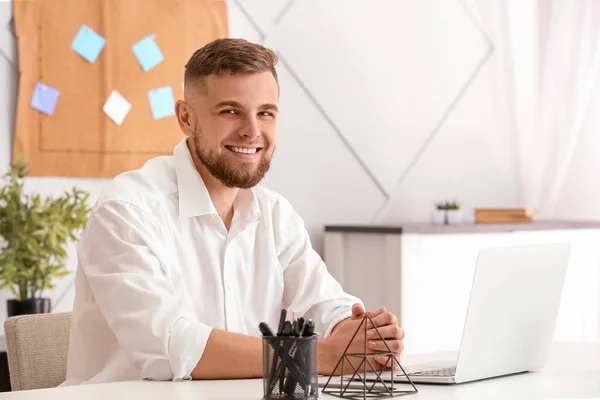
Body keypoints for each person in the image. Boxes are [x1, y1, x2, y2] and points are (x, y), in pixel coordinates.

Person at [62, 38, 404, 385]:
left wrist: (362, 334)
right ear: (185, 117)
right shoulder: (126, 211)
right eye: (230, 111)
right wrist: (319, 356)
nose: (252, 131)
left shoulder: (275, 215)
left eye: (265, 113)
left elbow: (325, 302)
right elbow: (169, 347)